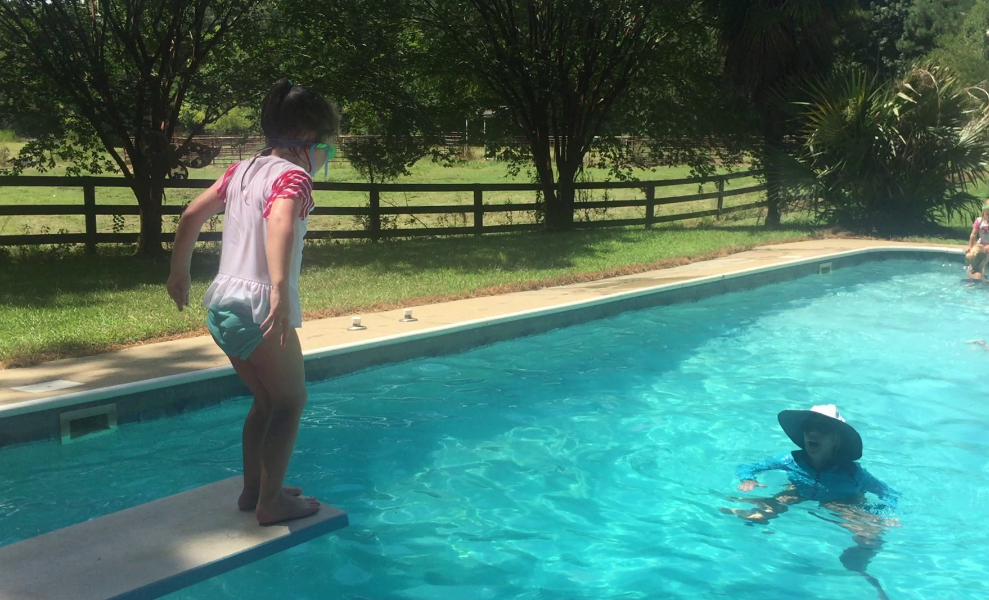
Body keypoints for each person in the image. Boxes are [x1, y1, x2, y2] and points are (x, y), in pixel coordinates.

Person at [167, 78, 339, 525]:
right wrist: (281, 289)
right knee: (291, 401)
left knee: (265, 403)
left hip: (222, 304)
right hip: (259, 308)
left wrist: (179, 273)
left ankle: (254, 490)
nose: (325, 155)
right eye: (326, 146)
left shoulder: (240, 170)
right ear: (307, 141)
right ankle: (271, 503)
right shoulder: (294, 177)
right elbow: (280, 221)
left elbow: (190, 215)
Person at [726, 405, 899, 599]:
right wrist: (748, 479)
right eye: (808, 426)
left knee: (870, 538)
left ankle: (858, 568)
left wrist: (886, 513)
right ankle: (741, 558)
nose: (813, 433)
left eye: (823, 428)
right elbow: (749, 467)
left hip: (839, 501)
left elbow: (889, 493)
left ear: (836, 439)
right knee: (755, 515)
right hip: (798, 492)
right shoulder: (790, 460)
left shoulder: (852, 473)